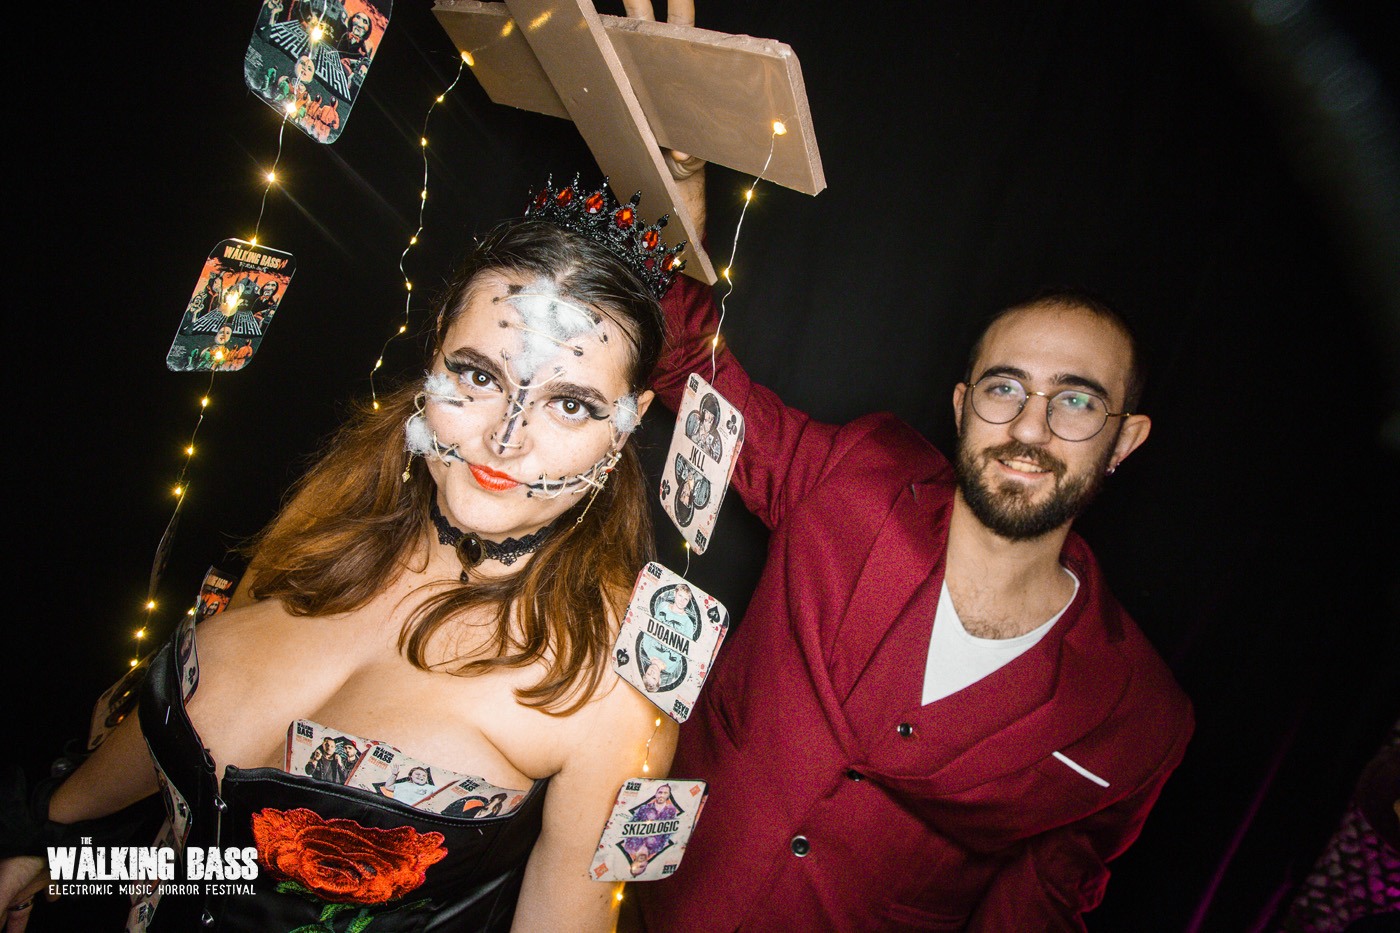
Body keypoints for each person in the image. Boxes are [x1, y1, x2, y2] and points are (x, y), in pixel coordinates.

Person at [1, 183, 685, 933]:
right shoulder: (323, 528)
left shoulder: (613, 685)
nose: (505, 438)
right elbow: (203, 857)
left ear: (629, 422)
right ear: (435, 353)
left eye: (571, 403)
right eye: (479, 375)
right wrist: (47, 847)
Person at [629, 151, 1194, 928]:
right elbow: (692, 370)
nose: (1030, 427)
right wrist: (675, 216)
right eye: (1004, 388)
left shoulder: (1141, 719)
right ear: (963, 407)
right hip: (638, 904)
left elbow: (1034, 911)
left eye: (1076, 400)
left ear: (1125, 438)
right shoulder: (854, 474)